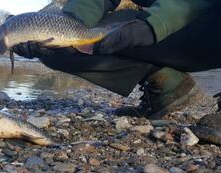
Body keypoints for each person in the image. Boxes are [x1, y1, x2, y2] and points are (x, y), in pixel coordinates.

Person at [13, 0, 221, 119]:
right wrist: (72, 22)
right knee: (58, 46)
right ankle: (167, 84)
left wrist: (157, 24)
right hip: (175, 34)